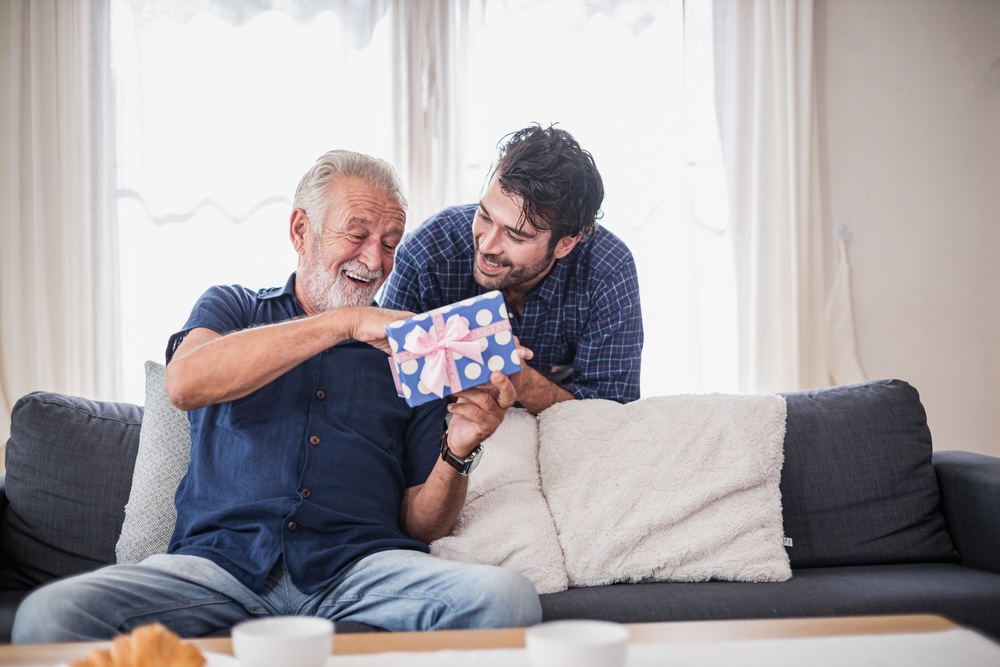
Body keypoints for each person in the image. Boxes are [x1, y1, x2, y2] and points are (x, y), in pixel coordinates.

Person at [12, 150, 541, 644]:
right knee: (49, 616)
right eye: (357, 234)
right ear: (301, 230)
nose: (374, 259)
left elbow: (423, 522)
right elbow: (185, 384)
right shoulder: (235, 308)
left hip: (360, 568)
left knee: (507, 599)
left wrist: (459, 448)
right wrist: (344, 324)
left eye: (389, 242)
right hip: (217, 566)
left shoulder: (414, 351)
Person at [379, 123, 643, 415]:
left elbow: (613, 413)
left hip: (562, 432)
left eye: (516, 236)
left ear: (565, 244)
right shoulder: (427, 252)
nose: (487, 245)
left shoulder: (607, 269)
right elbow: (378, 382)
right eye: (485, 216)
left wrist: (523, 382)